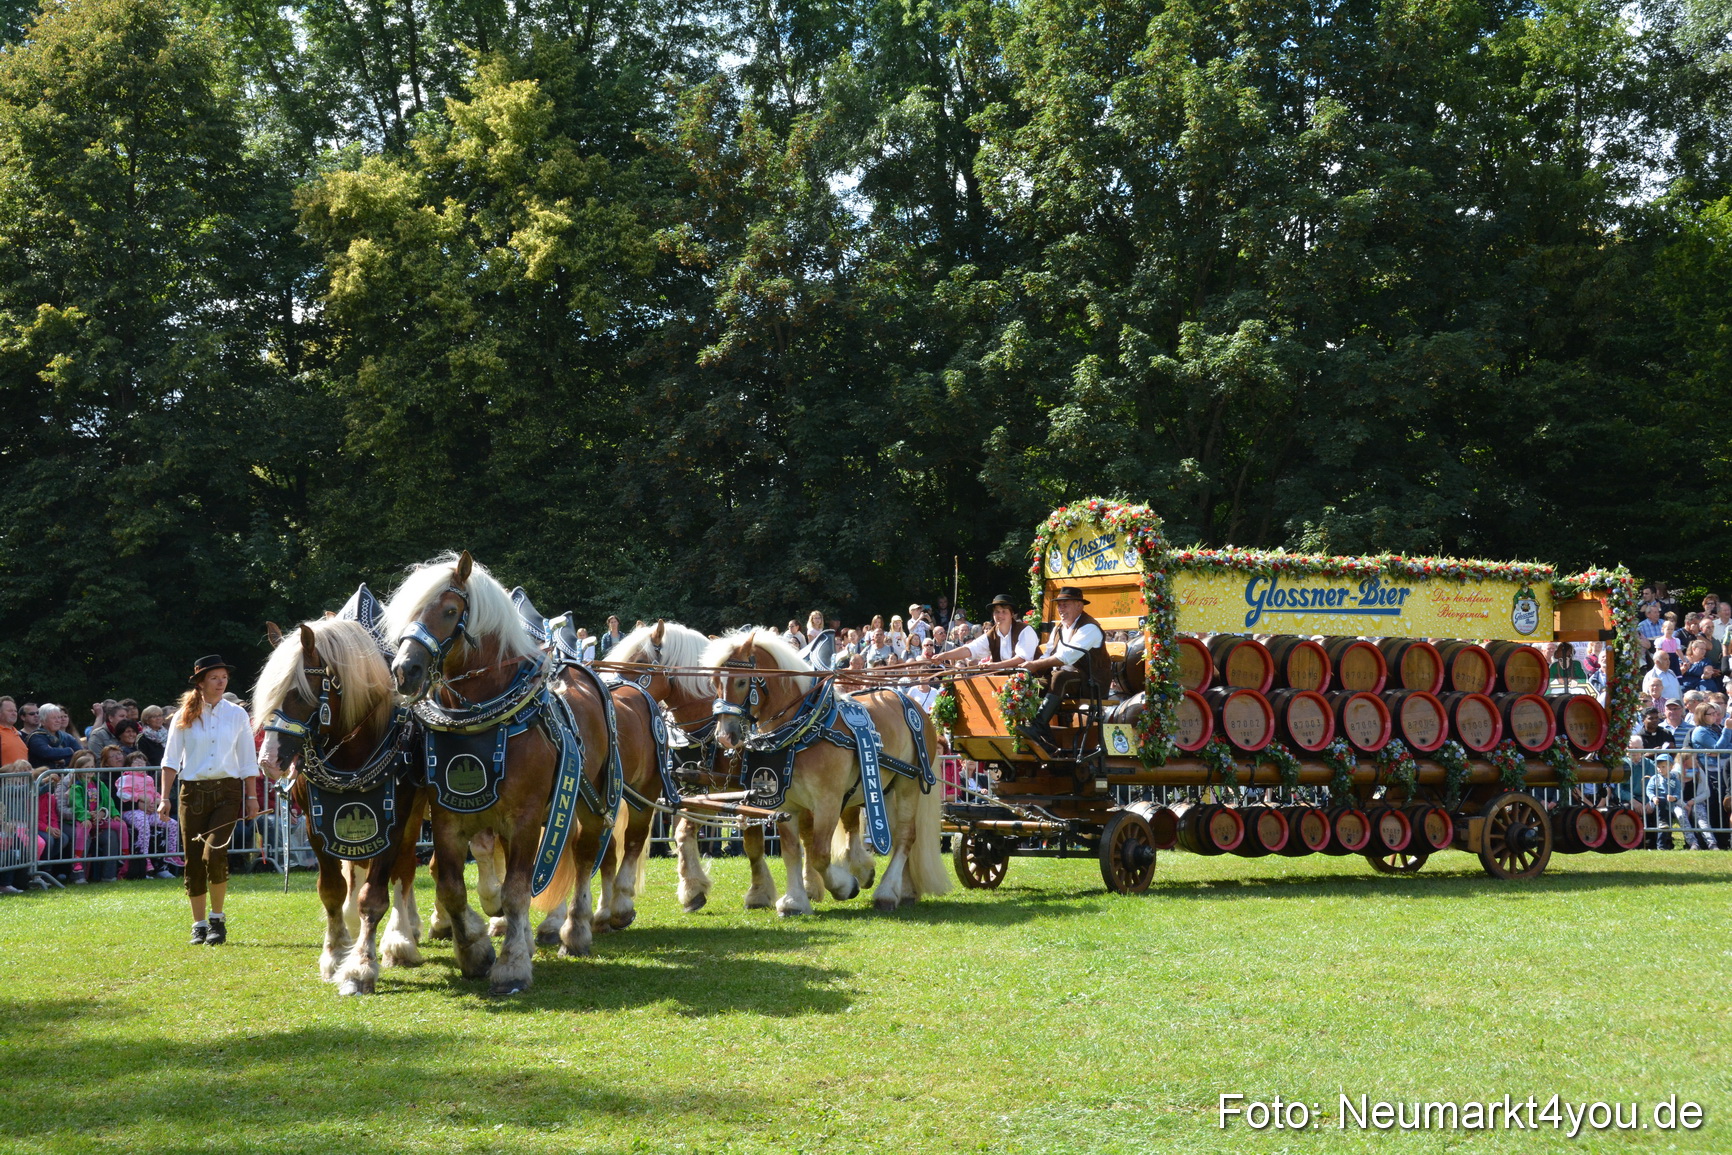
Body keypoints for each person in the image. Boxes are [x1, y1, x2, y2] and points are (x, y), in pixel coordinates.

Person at [160, 655, 260, 946]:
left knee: (214, 853)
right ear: (201, 682)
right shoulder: (183, 715)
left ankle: (218, 919)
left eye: (224, 677)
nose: (221, 682)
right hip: (192, 793)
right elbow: (170, 760)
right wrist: (164, 798)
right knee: (193, 861)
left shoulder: (237, 714)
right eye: (214, 677)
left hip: (227, 792)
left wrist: (252, 797)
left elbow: (247, 758)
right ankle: (199, 924)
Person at [1015, 586, 1109, 750]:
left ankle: (1038, 727)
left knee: (1060, 677)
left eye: (1065, 604)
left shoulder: (1089, 627)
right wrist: (1032, 671)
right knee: (1037, 681)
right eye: (1059, 605)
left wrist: (1035, 664)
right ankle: (1042, 733)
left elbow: (1067, 657)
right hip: (1072, 679)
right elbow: (1048, 654)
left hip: (1093, 683)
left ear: (1079, 605)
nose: (1060, 609)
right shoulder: (1059, 628)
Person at [58, 752, 124, 882]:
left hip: (95, 821)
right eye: (86, 765)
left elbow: (106, 802)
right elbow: (61, 810)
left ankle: (109, 876)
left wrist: (103, 813)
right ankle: (78, 875)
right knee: (83, 835)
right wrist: (87, 815)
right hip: (70, 822)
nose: (90, 769)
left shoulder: (97, 783)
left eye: (92, 764)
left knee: (110, 835)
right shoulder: (66, 783)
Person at [934, 593, 1039, 669]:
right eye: (997, 612)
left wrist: (995, 666)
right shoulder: (992, 634)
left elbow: (1022, 659)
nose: (1000, 615)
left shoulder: (1025, 630)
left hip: (1025, 683)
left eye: (1004, 612)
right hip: (1000, 681)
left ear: (1012, 614)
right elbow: (969, 649)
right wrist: (943, 656)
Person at [0, 697, 26, 765]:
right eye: (10, 711)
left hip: (24, 775)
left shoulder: (19, 734)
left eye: (15, 711)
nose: (14, 713)